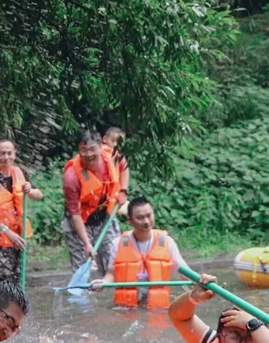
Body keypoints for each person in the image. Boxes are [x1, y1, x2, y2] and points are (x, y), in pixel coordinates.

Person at [90, 197, 188, 308]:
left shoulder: (167, 242)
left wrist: (199, 280)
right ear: (130, 220)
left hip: (158, 307)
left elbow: (184, 271)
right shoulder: (117, 244)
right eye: (140, 218)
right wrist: (103, 283)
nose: (146, 221)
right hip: (126, 307)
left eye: (149, 215)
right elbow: (111, 274)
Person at [0, 140, 43, 283]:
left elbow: (39, 195)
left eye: (9, 153)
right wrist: (7, 232)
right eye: (2, 153)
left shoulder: (20, 172)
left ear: (14, 154)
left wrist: (30, 190)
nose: (6, 157)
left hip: (18, 237)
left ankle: (15, 304)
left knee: (17, 279)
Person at [61, 130, 120, 275]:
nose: (88, 155)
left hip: (104, 216)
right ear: (78, 150)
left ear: (101, 146)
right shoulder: (71, 178)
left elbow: (124, 165)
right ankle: (80, 295)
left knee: (116, 260)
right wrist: (87, 244)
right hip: (79, 222)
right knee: (82, 267)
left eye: (93, 149)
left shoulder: (111, 156)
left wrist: (123, 191)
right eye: (83, 150)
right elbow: (75, 215)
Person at [102, 127, 129, 207]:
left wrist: (123, 191)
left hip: (109, 196)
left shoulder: (119, 158)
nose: (115, 145)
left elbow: (124, 169)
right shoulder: (97, 152)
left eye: (119, 143)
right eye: (113, 141)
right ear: (105, 139)